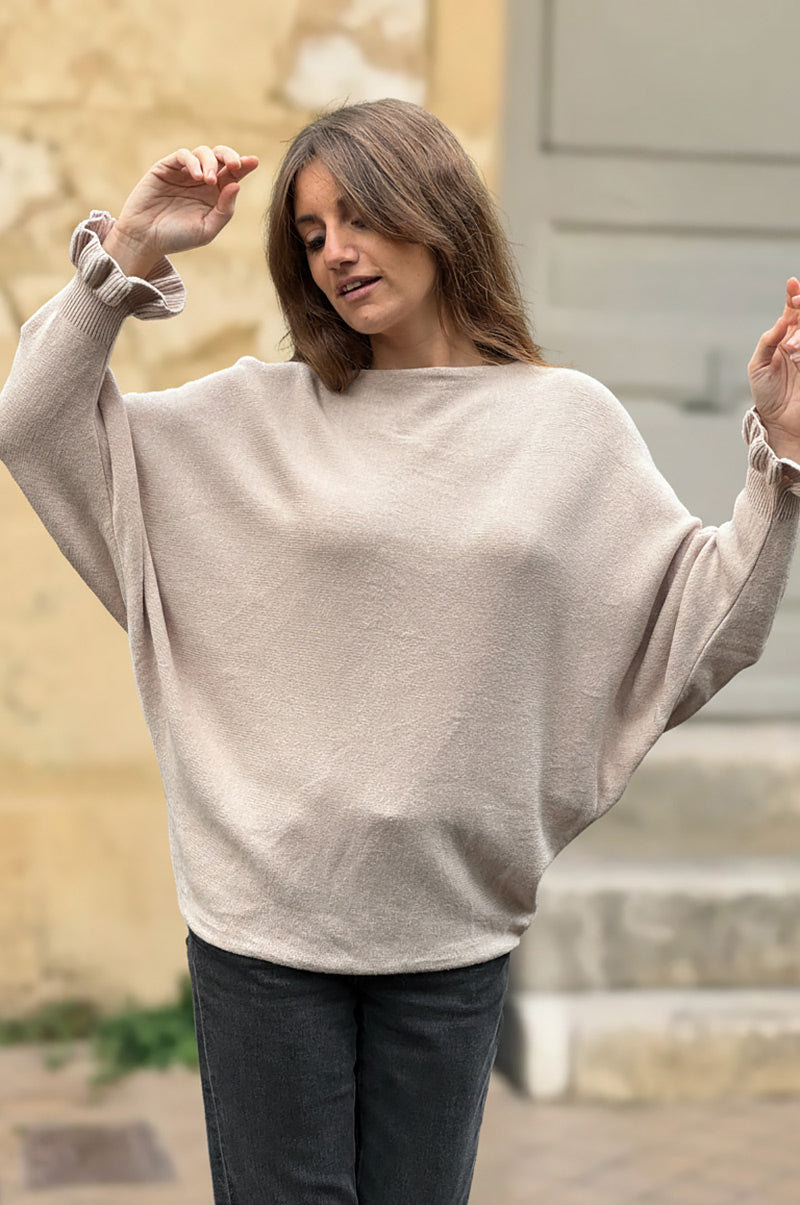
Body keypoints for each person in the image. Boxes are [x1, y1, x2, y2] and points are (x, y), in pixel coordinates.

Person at [1, 97, 799, 1204]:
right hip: (264, 930)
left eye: (359, 217)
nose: (336, 253)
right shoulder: (256, 414)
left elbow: (701, 627)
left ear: (434, 212)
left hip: (449, 931)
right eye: (312, 233)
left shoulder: (564, 422)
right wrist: (127, 251)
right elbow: (34, 422)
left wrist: (779, 461)